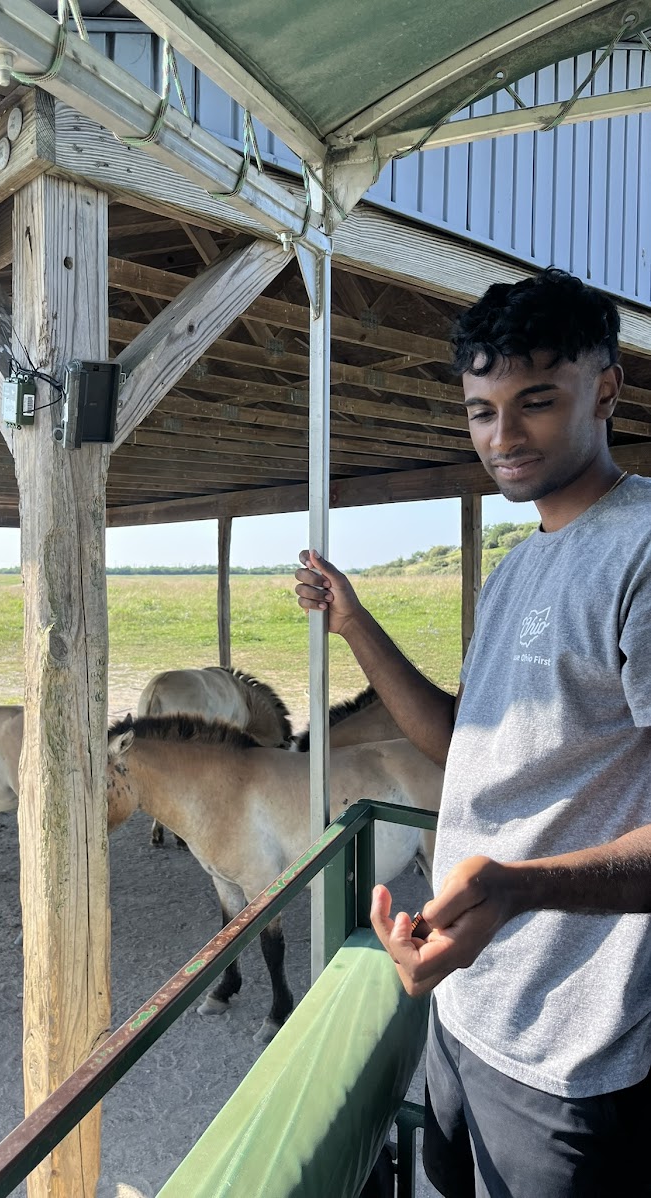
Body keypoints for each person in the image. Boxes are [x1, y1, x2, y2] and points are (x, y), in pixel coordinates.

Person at [294, 267, 651, 1196]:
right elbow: (467, 744)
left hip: (569, 1050)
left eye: (536, 400)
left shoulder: (643, 552)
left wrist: (514, 887)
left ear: (607, 388)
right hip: (465, 1011)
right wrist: (354, 622)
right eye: (481, 411)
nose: (505, 435)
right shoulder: (516, 571)